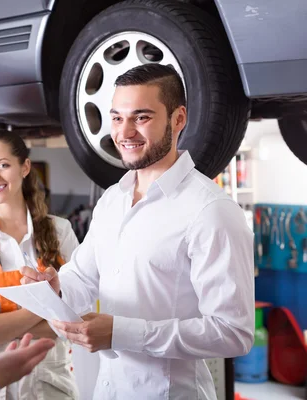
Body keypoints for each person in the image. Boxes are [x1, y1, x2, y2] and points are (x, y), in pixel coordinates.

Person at [21, 64, 255, 399]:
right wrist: (56, 288)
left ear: (178, 119)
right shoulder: (113, 199)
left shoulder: (211, 211)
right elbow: (84, 278)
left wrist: (122, 332)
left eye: (141, 117)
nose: (124, 132)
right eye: (117, 117)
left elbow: (234, 332)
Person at [0, 130, 81, 399]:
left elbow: (77, 320)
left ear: (25, 167)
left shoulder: (61, 231)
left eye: (3, 165)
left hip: (49, 385)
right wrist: (48, 308)